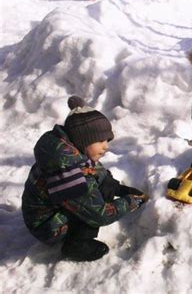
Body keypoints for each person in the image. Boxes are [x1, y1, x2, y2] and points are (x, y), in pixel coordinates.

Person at [21, 96, 148, 261]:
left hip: (50, 211)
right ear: (83, 140)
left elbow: (91, 168)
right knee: (88, 209)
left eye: (107, 140)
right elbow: (99, 214)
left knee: (102, 189)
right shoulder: (67, 172)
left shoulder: (70, 153)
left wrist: (117, 188)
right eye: (100, 141)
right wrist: (131, 202)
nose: (106, 146)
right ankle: (76, 245)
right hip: (47, 226)